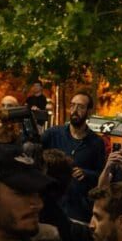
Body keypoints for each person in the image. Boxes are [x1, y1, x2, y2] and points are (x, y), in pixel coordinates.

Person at [40, 89, 106, 222]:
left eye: (80, 107)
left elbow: (101, 175)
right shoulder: (52, 134)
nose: (75, 110)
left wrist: (86, 173)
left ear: (89, 112)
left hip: (78, 210)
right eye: (72, 105)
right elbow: (36, 159)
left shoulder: (96, 142)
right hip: (50, 204)